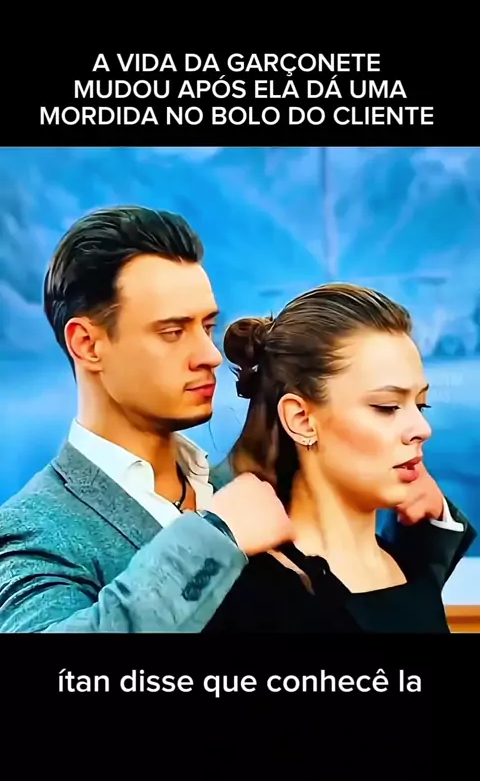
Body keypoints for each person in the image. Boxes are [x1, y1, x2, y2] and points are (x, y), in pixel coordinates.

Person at [0, 207, 473, 632]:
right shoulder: (34, 530)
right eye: (173, 331)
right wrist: (216, 539)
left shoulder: (245, 484)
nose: (209, 354)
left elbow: (346, 609)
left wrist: (429, 530)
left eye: (207, 326)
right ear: (87, 344)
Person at [204, 284, 476, 633]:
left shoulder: (415, 566)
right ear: (302, 420)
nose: (422, 429)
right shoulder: (252, 601)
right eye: (387, 407)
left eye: (420, 405)